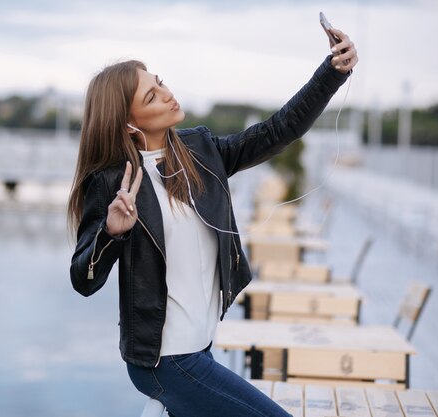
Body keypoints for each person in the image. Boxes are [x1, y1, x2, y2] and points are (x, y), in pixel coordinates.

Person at [67, 26, 358, 417]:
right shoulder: (112, 183)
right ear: (127, 124)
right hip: (164, 361)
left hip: (200, 345)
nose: (168, 94)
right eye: (152, 96)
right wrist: (112, 232)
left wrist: (332, 72)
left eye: (161, 83)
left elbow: (277, 130)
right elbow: (83, 279)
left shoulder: (200, 151)